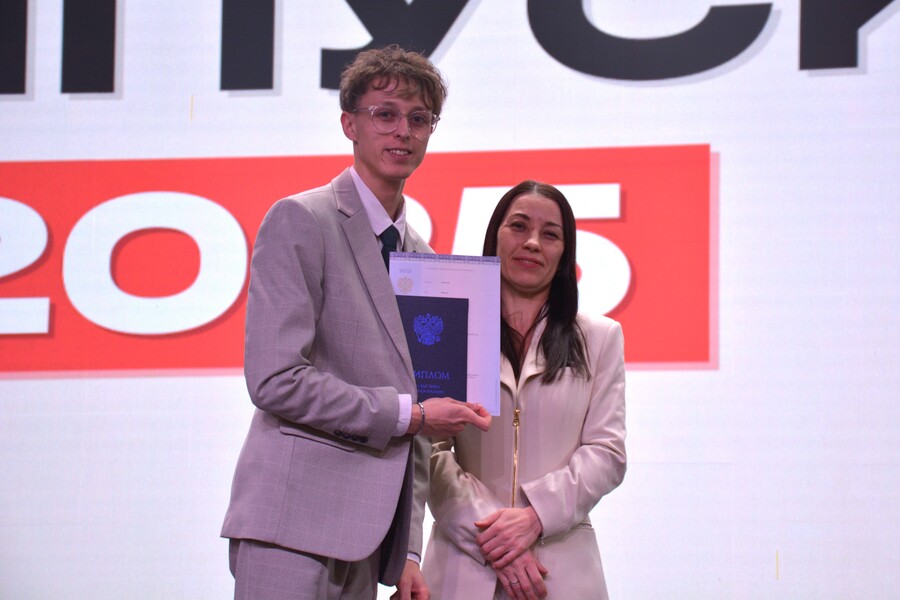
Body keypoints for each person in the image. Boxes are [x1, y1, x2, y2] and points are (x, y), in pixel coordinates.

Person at [221, 45, 492, 600]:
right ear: (350, 124)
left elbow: (424, 415)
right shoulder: (301, 219)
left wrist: (409, 550)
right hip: (290, 525)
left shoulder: (426, 261)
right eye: (385, 114)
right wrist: (409, 414)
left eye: (419, 119)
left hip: (371, 544)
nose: (403, 132)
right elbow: (275, 380)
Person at [421, 181, 627, 599]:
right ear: (495, 236)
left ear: (564, 254)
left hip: (559, 570)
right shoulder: (446, 329)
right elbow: (429, 448)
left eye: (550, 234)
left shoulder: (600, 338)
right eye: (518, 226)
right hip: (462, 565)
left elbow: (607, 452)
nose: (532, 242)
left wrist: (535, 518)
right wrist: (492, 535)